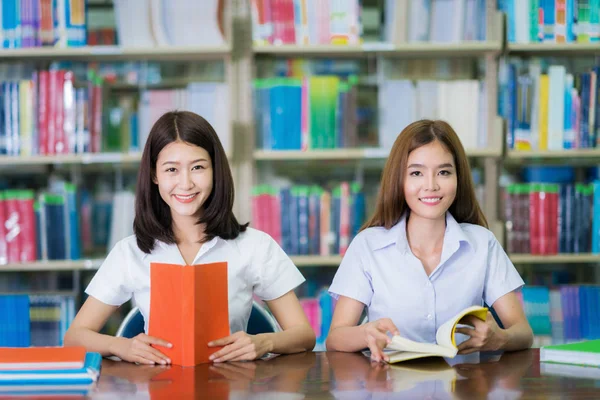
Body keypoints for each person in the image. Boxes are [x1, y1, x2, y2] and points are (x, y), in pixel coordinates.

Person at [64, 111, 316, 364]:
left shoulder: (255, 246)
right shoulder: (130, 251)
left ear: (215, 170)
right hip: (158, 385)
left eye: (197, 167)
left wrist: (264, 341)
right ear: (154, 175)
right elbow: (75, 337)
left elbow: (304, 335)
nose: (185, 183)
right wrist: (120, 346)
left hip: (234, 384)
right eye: (171, 169)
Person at [325, 120, 533, 362]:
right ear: (399, 180)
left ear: (458, 178)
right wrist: (365, 333)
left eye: (444, 172)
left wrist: (500, 339)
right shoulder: (367, 245)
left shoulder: (482, 243)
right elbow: (335, 338)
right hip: (390, 386)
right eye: (416, 173)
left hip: (465, 388)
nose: (431, 185)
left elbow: (523, 332)